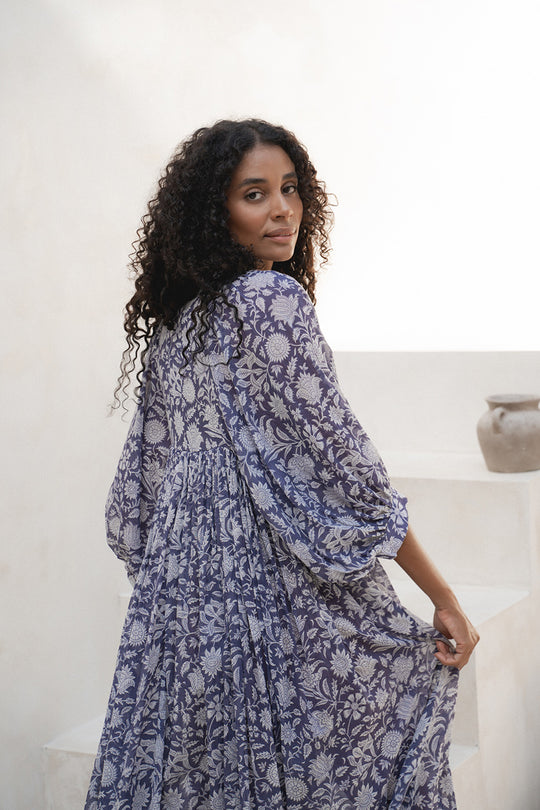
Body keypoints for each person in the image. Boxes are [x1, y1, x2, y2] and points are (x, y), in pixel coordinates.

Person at [85, 119, 479, 810]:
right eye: (254, 194)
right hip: (267, 594)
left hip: (179, 609)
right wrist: (442, 596)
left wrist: (179, 587)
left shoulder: (179, 326)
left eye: (291, 190)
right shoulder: (269, 300)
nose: (282, 210)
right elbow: (347, 468)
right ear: (216, 213)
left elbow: (139, 492)